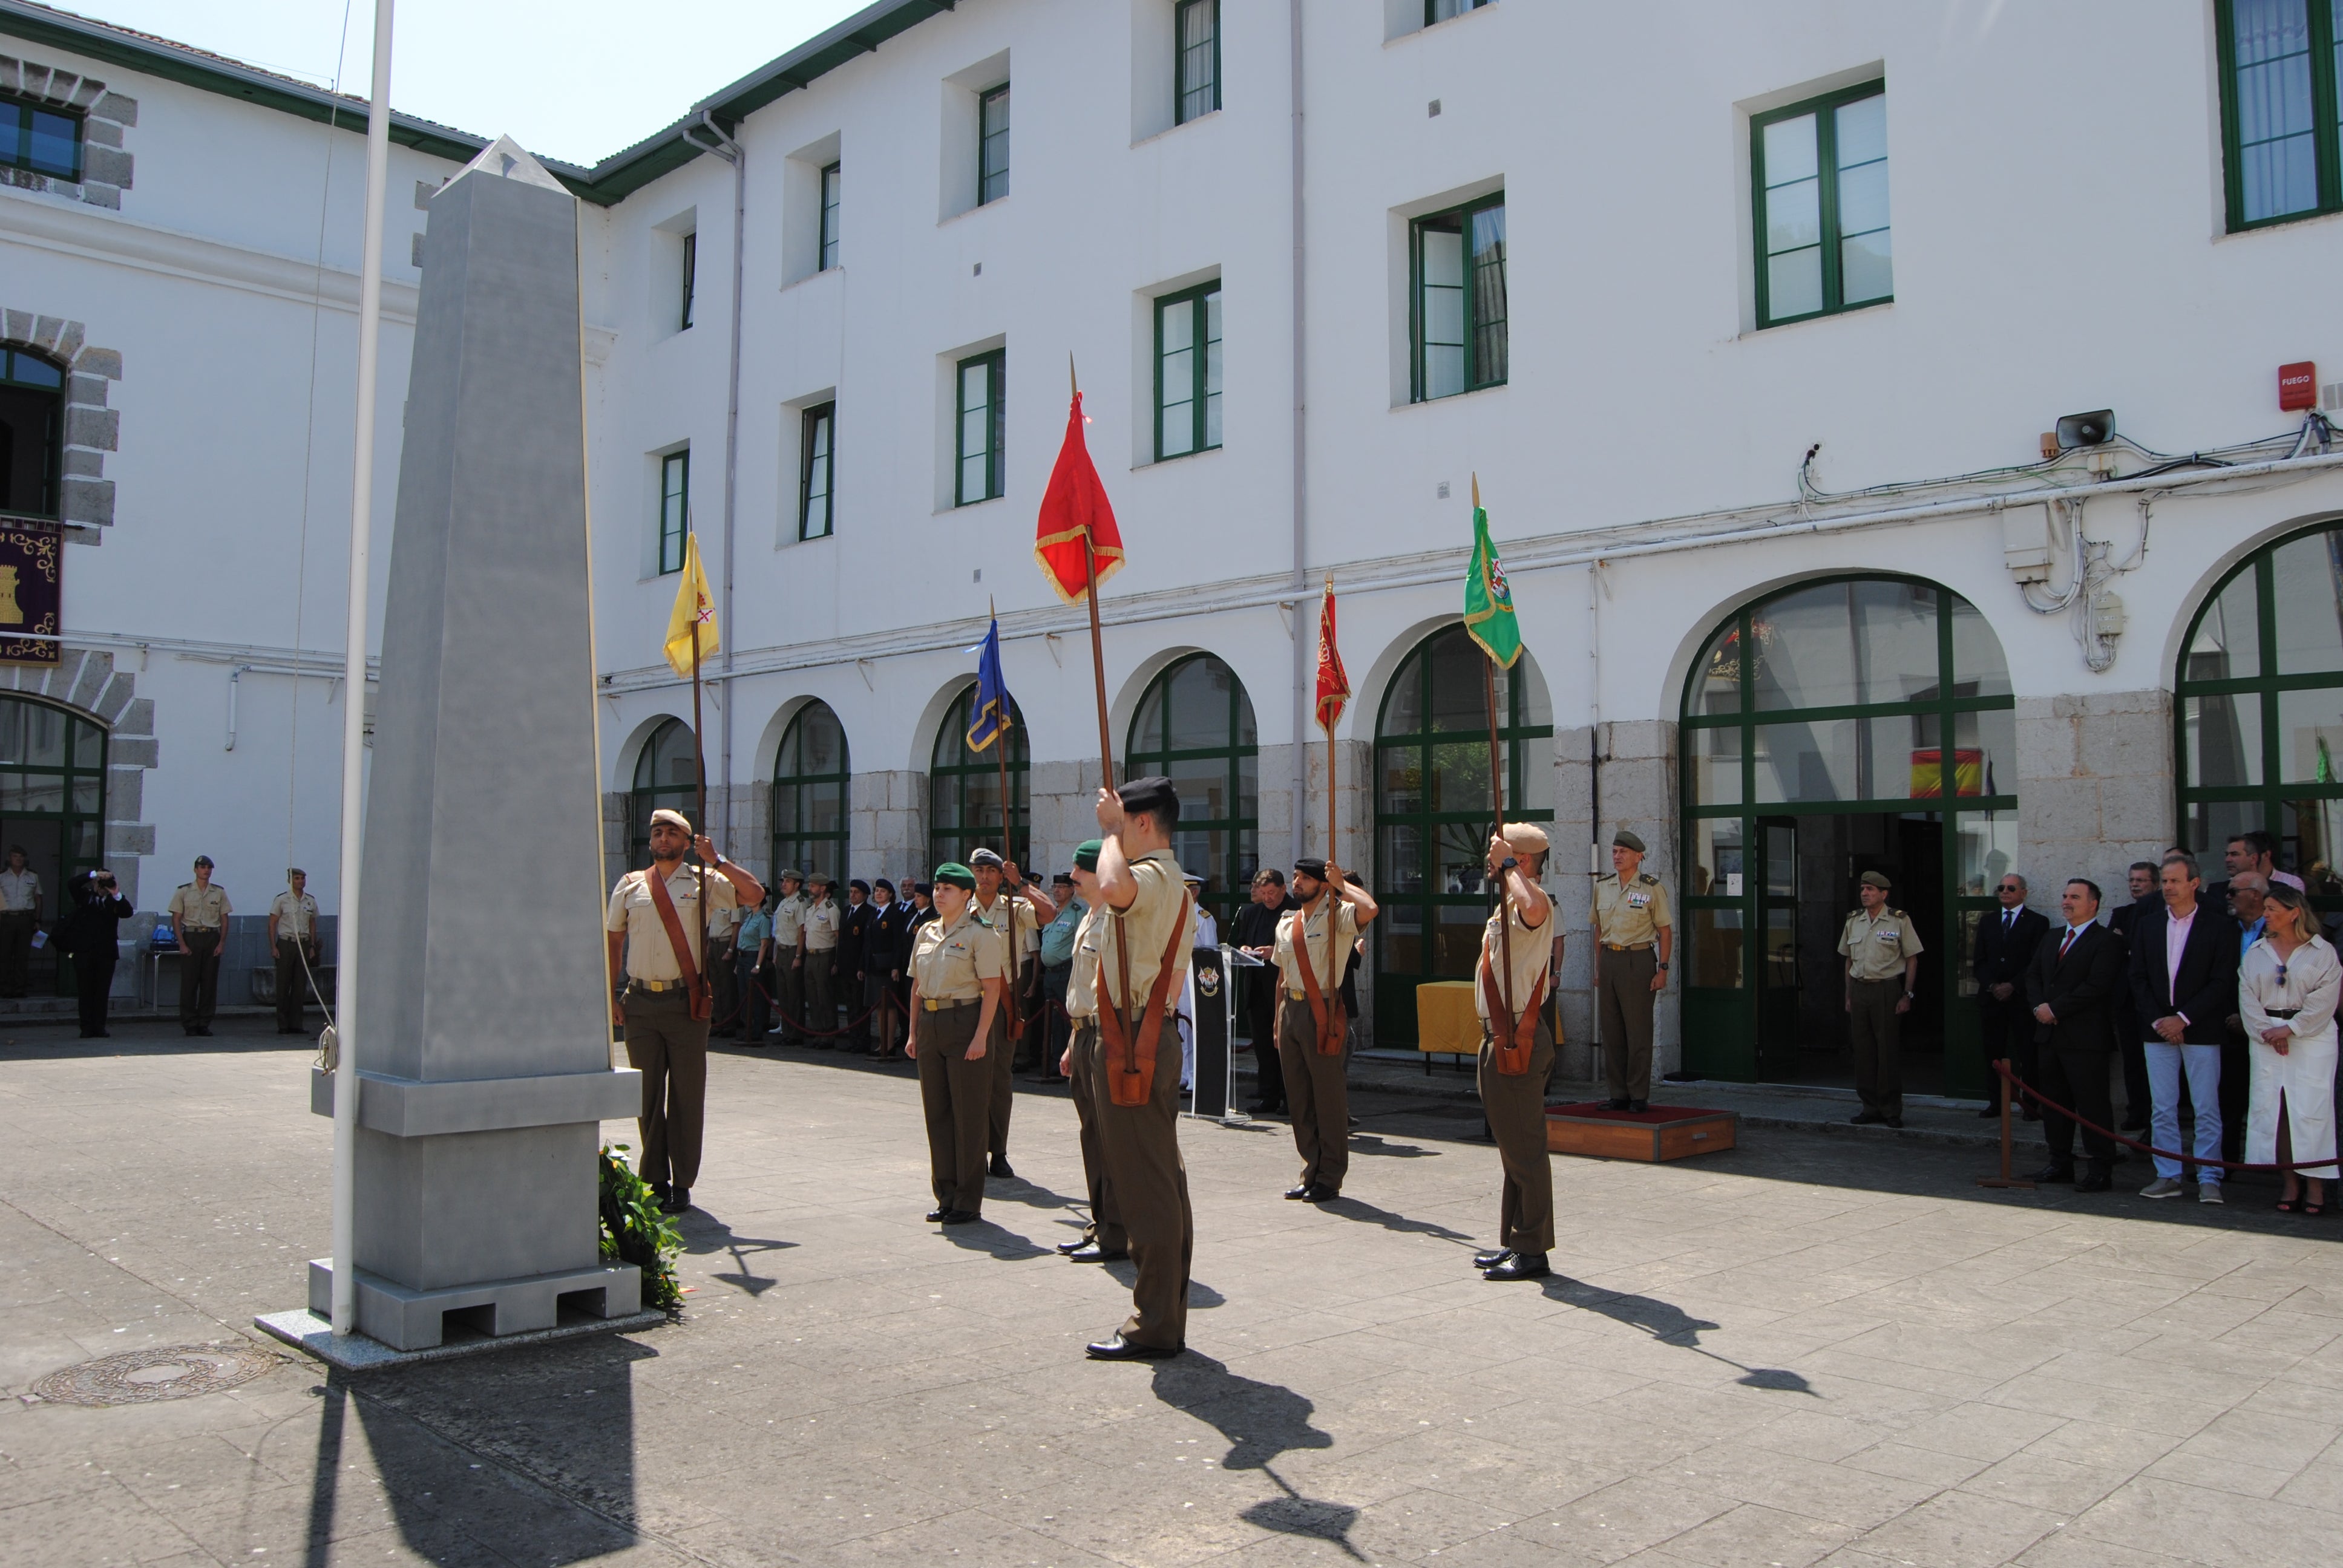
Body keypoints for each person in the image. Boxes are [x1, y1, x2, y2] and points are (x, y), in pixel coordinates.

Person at [1084, 776, 1197, 1360]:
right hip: (1145, 1033)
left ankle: (1155, 1323)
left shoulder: (1149, 876)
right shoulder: (1173, 880)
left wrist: (1109, 832)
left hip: (1134, 1037)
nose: (1115, 832)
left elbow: (1111, 886)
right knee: (1159, 1178)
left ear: (1143, 824)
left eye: (1124, 823)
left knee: (1144, 1184)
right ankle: (1164, 1313)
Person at [605, 808, 765, 1214]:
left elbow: (754, 896)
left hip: (685, 1002)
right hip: (640, 1002)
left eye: (671, 833)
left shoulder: (704, 881)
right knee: (647, 1094)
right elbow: (613, 943)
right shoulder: (630, 886)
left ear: (686, 841)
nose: (662, 839)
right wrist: (609, 995)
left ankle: (682, 1181)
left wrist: (717, 859)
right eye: (657, 832)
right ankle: (654, 1177)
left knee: (687, 1095)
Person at [2129, 853, 2241, 1203]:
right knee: (2163, 1107)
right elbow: (2138, 977)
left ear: (2195, 883)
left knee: (2206, 1106)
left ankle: (2209, 1175)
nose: (2168, 887)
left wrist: (2185, 1019)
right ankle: (2168, 1174)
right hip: (2157, 1029)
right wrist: (2161, 1021)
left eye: (2175, 881)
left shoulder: (2219, 926)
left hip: (2202, 1029)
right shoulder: (2148, 925)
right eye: (2164, 881)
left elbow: (2221, 981)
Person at [1472, 823, 1558, 1282]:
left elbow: (1535, 907)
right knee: (1512, 1149)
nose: (1489, 860)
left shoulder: (1534, 901)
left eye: (1498, 854)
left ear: (1521, 861)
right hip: (1498, 1037)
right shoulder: (1508, 903)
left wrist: (1507, 866)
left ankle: (1534, 1250)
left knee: (1526, 1149)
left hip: (1518, 1039)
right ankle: (1516, 1240)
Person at [1273, 855, 1379, 1203]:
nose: (1297, 882)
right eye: (1295, 876)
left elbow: (1371, 909)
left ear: (1321, 883)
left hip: (1323, 1010)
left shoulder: (1338, 916)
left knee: (1328, 1098)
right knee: (1300, 1099)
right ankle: (1310, 1169)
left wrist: (1342, 885)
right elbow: (1281, 974)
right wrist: (1278, 1018)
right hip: (1292, 1009)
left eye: (1304, 878)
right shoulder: (1287, 923)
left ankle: (1330, 1176)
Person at [905, 863, 1006, 1226]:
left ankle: (967, 1199)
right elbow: (916, 985)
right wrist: (914, 1032)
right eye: (937, 887)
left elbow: (992, 988)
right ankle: (945, 1193)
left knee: (969, 1115)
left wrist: (981, 1036)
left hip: (966, 1021)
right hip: (931, 1021)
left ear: (967, 895)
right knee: (938, 1113)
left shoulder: (982, 933)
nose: (939, 894)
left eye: (948, 889)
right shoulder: (926, 931)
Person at [2241, 883, 2339, 1214]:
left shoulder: (2321, 951)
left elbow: (2324, 1000)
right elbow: (2248, 996)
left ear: (2293, 913)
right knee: (2276, 1110)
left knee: (2311, 1110)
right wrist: (2270, 1031)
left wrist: (2292, 1029)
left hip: (2311, 1040)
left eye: (2271, 909)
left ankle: (2315, 1186)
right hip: (2268, 1039)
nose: (2265, 914)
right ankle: (2289, 1183)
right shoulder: (2258, 951)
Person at [2025, 878, 2126, 1191]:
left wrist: (2055, 1010)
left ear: (2093, 903)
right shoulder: (2052, 936)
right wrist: (2040, 1007)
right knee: (2055, 1105)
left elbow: (2097, 986)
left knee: (2092, 1106)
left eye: (2075, 897)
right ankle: (2060, 1163)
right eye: (2065, 895)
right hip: (2049, 1037)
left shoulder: (2106, 940)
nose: (2067, 902)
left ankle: (2100, 1169)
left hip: (2085, 1039)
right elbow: (2033, 975)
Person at [1054, 841, 1124, 1261]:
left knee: (1111, 1138)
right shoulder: (1090, 918)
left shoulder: (1116, 920)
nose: (1073, 878)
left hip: (1105, 1036)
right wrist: (1071, 1042)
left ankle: (1116, 1232)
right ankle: (1100, 1222)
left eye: (1080, 871)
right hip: (1082, 1034)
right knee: (1092, 1137)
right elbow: (1080, 989)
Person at [969, 847, 1057, 1177]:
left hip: (1005, 1003)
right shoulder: (964, 907)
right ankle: (972, 1150)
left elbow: (1049, 914)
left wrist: (1021, 884)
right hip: (970, 1001)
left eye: (991, 871)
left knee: (1000, 1080)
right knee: (971, 1081)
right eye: (979, 871)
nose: (984, 877)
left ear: (1000, 875)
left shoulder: (1016, 907)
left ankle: (999, 1150)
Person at [1591, 829, 1673, 1112]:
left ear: (1639, 857)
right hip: (1610, 960)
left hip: (1638, 960)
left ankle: (1638, 1095)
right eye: (1614, 852)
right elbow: (1598, 928)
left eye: (1623, 852)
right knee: (1612, 1032)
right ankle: (1618, 1094)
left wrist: (1662, 969)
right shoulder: (1603, 886)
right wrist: (1599, 967)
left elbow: (1664, 931)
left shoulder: (1651, 889)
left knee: (1637, 1031)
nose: (1617, 857)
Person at [1838, 869, 1922, 1128]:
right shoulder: (1854, 920)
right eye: (1863, 889)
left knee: (1886, 1050)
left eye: (1870, 890)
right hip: (1861, 989)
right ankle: (1869, 1107)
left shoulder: (1899, 921)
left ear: (1883, 894)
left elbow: (1912, 958)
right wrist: (1849, 993)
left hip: (1887, 990)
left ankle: (1890, 1109)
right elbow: (1848, 959)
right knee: (1863, 1051)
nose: (1865, 894)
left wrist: (1907, 994)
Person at [1973, 873, 2049, 1119]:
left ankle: (2030, 1104)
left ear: (2023, 893)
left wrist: (2013, 986)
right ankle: (1996, 1102)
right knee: (1993, 1052)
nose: (2005, 891)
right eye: (2001, 887)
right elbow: (1979, 961)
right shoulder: (1988, 922)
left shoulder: (2038, 923)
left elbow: (2037, 962)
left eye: (2011, 888)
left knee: (2028, 1052)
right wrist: (1994, 985)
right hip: (1992, 1000)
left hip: (2022, 1000)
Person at [1231, 869, 1296, 1114]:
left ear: (1283, 889)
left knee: (1287, 1048)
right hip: (1257, 988)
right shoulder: (1252, 913)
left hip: (1283, 987)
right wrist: (1245, 948)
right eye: (1263, 893)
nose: (1267, 898)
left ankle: (1290, 1098)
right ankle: (1268, 1096)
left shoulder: (1295, 912)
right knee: (1263, 1046)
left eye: (1272, 893)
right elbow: (1241, 940)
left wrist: (1274, 951)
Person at [2107, 860, 2161, 1131]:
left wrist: (2127, 942)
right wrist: (2126, 944)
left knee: (2156, 1063)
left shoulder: (2163, 913)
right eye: (2132, 880)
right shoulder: (2122, 913)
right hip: (2126, 999)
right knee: (2132, 1060)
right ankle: (2136, 1111)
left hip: (2154, 1001)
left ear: (2156, 884)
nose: (2136, 885)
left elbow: (2148, 950)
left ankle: (2155, 1116)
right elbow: (2111, 947)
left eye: (2141, 880)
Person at [58, 867, 131, 1038]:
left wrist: (116, 893)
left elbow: (127, 913)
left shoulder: (114, 900)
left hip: (106, 953)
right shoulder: (85, 897)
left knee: (102, 991)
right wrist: (94, 874)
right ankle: (86, 1027)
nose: (102, 885)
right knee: (85, 991)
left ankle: (100, 1027)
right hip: (84, 952)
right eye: (101, 881)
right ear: (94, 882)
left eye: (106, 881)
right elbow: (72, 884)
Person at [166, 855, 230, 1037]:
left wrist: (221, 943)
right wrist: (182, 943)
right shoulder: (184, 891)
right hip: (192, 936)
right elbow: (176, 918)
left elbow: (224, 919)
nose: (206, 870)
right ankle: (189, 1023)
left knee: (209, 983)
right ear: (195, 870)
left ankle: (204, 1022)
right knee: (189, 983)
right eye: (202, 867)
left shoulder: (219, 892)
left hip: (211, 937)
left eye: (209, 867)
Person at [1037, 871, 1083, 1083]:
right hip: (1050, 974)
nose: (1057, 891)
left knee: (1068, 1019)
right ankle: (1054, 1061)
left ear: (1072, 890)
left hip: (1067, 971)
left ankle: (1072, 1060)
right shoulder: (1051, 912)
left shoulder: (1078, 912)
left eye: (1062, 888)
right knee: (1052, 1019)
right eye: (1055, 887)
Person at [267, 869, 321, 1036]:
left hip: (304, 945)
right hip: (286, 943)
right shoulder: (282, 900)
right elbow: (272, 924)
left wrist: (312, 946)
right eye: (297, 878)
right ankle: (283, 1025)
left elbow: (312, 924)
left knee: (299, 986)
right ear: (290, 881)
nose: (301, 881)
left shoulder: (310, 901)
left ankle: (296, 1024)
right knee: (283, 985)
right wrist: (274, 947)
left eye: (303, 878)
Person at [865, 878, 908, 1059]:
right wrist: (863, 966)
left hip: (888, 967)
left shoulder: (895, 913)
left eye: (883, 891)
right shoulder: (874, 914)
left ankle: (889, 1044)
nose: (879, 894)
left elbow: (899, 942)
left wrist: (895, 966)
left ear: (891, 894)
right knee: (879, 1007)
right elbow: (867, 943)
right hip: (874, 966)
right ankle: (882, 1043)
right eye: (877, 891)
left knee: (889, 1006)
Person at [767, 870, 808, 1044]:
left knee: (794, 995)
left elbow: (801, 932)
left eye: (788, 881)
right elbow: (778, 932)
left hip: (793, 951)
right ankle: (787, 1031)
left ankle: (796, 1033)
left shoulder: (800, 903)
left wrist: (798, 955)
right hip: (782, 951)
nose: (783, 884)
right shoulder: (783, 903)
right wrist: (776, 954)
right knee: (783, 995)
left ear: (797, 885)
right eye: (783, 881)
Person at [803, 872, 841, 1042]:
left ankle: (829, 1033)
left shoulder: (831, 910)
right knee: (813, 997)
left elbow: (838, 937)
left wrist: (836, 961)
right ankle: (817, 1031)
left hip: (825, 956)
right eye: (810, 885)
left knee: (825, 996)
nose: (810, 889)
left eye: (813, 886)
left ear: (823, 888)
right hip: (810, 956)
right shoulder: (810, 909)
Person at [0, 844, 39, 998]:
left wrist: (37, 919)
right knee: (5, 955)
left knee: (22, 956)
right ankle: (5, 988)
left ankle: (19, 988)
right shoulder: (2, 877)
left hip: (25, 918)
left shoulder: (32, 876)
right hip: (6, 918)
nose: (18, 859)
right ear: (10, 859)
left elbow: (38, 898)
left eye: (21, 857)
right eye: (15, 857)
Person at [735, 892, 773, 1045]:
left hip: (753, 957)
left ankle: (756, 1031)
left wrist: (758, 965)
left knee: (755, 997)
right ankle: (746, 1029)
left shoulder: (763, 919)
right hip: (743, 957)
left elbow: (764, 944)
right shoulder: (750, 917)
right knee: (744, 996)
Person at [839, 879, 875, 1045]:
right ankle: (853, 1038)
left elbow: (865, 943)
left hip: (858, 967)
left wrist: (862, 966)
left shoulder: (869, 912)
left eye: (857, 892)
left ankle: (862, 1039)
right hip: (845, 966)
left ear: (865, 895)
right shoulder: (846, 911)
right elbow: (841, 941)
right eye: (851, 892)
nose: (853, 895)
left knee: (861, 1006)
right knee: (850, 1005)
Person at [704, 883, 741, 1040]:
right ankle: (717, 1021)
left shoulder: (733, 903)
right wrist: (707, 946)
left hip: (725, 944)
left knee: (726, 986)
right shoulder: (714, 903)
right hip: (713, 943)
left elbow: (736, 927)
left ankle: (728, 1023)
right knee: (715, 986)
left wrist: (731, 950)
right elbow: (709, 925)